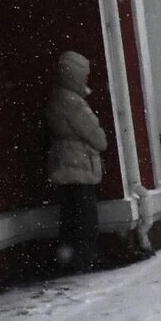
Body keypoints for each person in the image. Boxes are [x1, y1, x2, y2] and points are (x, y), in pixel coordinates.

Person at [46, 50, 107, 273]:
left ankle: (72, 259)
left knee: (71, 216)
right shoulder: (74, 103)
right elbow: (98, 138)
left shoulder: (59, 98)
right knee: (84, 216)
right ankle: (84, 259)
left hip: (66, 163)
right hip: (78, 164)